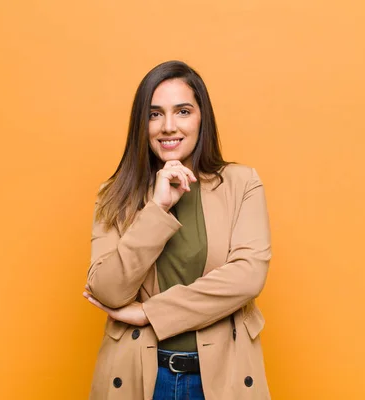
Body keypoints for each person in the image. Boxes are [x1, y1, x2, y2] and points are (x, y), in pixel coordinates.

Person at [82, 60, 272, 400]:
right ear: (142, 124)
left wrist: (149, 313)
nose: (168, 126)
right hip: (139, 376)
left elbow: (247, 276)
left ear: (202, 118)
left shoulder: (242, 184)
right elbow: (108, 291)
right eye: (155, 114)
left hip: (220, 377)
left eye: (182, 111)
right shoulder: (114, 194)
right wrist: (157, 209)